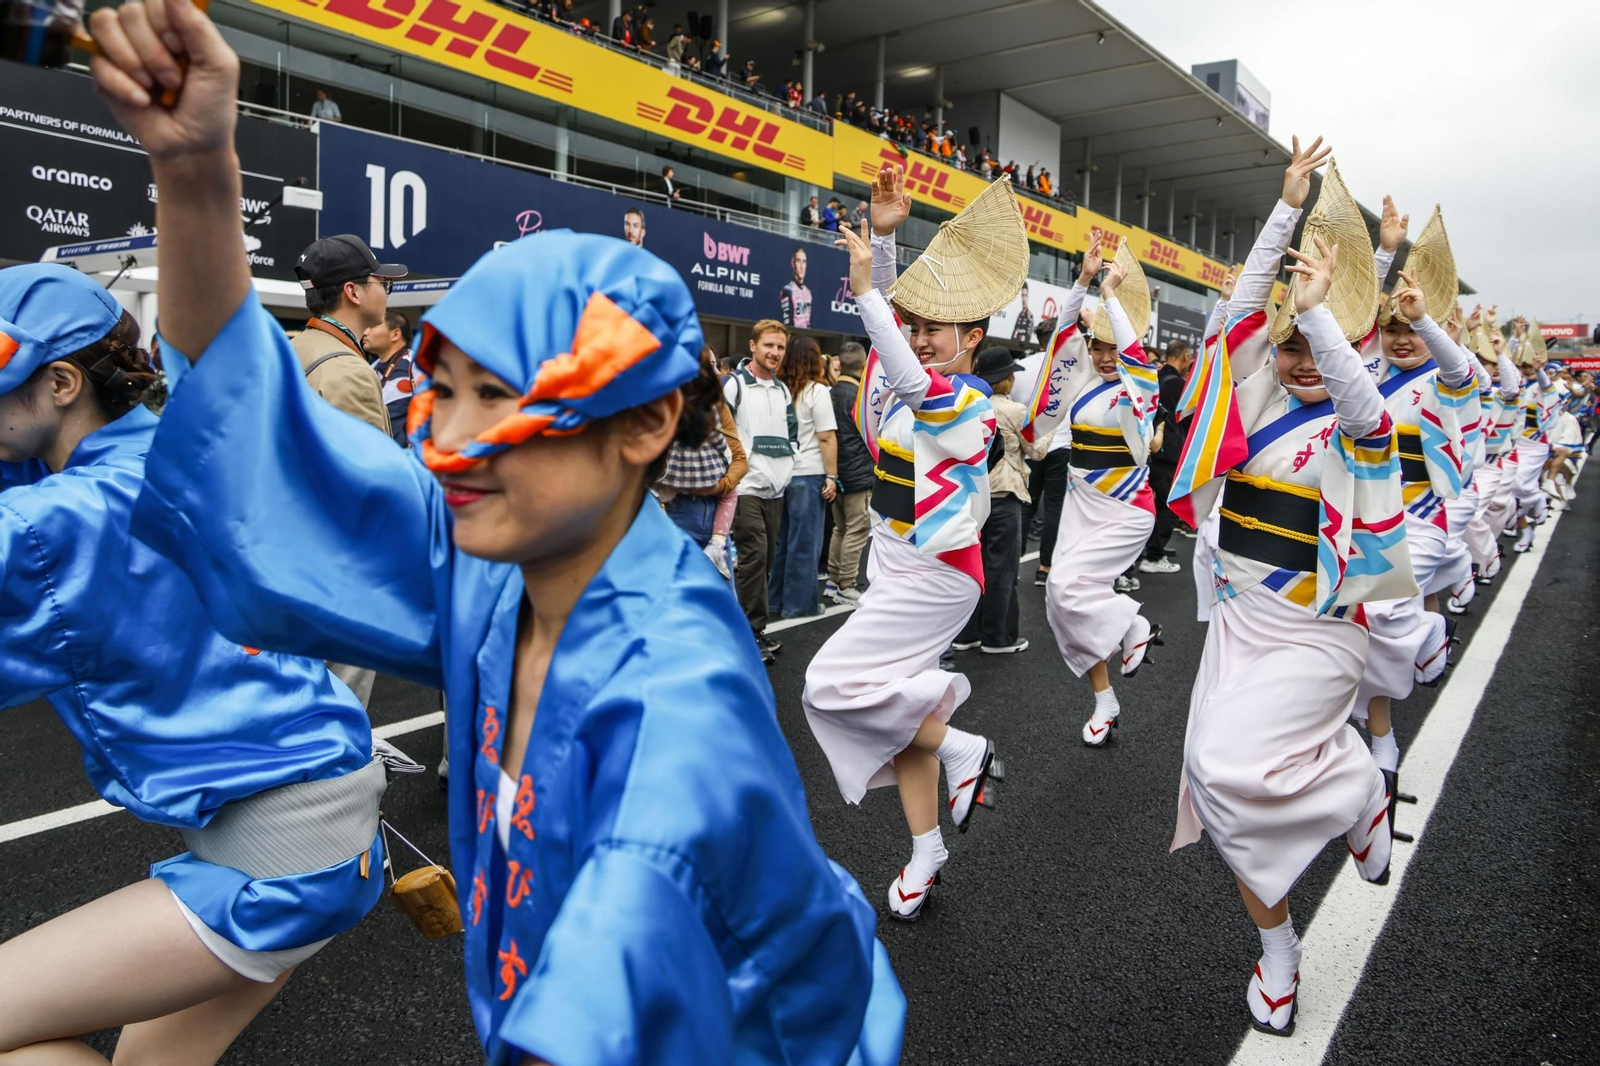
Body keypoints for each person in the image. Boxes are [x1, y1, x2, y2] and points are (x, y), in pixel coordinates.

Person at [92, 7, 906, 1061]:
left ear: (647, 423)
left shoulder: (671, 718)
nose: (451, 442)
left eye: (504, 397)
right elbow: (249, 417)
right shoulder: (503, 565)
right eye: (442, 392)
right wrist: (197, 166)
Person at [0, 262, 389, 1061]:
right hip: (320, 822)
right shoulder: (174, 455)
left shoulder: (58, 519)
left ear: (63, 383)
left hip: (276, 858)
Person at [1166, 141, 1411, 1038]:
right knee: (1217, 786)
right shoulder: (1254, 392)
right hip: (1241, 622)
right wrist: (1285, 210)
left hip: (1321, 629)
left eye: (1323, 343)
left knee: (1228, 764)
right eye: (1293, 342)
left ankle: (1355, 785)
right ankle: (1278, 951)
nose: (1305, 358)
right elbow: (1238, 315)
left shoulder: (1360, 413)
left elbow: (1366, 418)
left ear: (1351, 342)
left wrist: (1319, 316)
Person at [803, 167, 1025, 922]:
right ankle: (927, 851)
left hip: (936, 576)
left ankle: (962, 748)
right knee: (897, 722)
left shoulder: (967, 403)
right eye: (915, 327)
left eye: (935, 330)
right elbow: (891, 364)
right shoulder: (911, 390)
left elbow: (904, 372)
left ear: (974, 337)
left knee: (828, 684)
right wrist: (888, 240)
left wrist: (867, 290)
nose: (921, 339)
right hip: (898, 568)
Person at [1038, 235, 1163, 748]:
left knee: (1070, 588)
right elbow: (1061, 338)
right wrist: (1084, 281)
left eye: (1114, 347)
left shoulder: (1141, 385)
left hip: (1125, 509)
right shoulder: (1084, 379)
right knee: (1058, 598)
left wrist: (1110, 296)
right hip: (1080, 503)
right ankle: (1104, 698)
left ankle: (1133, 624)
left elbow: (1135, 359)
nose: (1107, 356)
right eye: (1099, 346)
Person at [952, 346, 1048, 654]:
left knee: (971, 565)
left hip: (971, 494)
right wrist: (1049, 425)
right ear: (1007, 379)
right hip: (1005, 494)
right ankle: (997, 636)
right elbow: (1037, 451)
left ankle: (966, 633)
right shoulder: (1015, 410)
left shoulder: (966, 404)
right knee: (1001, 567)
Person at [724, 320, 796, 659]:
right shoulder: (734, 385)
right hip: (745, 489)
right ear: (753, 346)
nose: (775, 352)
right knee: (753, 558)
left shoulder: (783, 390)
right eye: (769, 345)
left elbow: (793, 435)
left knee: (763, 561)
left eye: (780, 347)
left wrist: (788, 469)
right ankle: (748, 634)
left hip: (776, 490)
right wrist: (737, 471)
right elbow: (721, 431)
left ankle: (750, 630)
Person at [293, 234, 402, 439]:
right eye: (383, 284)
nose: (386, 293)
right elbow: (369, 458)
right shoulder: (353, 375)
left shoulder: (290, 350)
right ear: (353, 292)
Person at [654, 347, 747, 577]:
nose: (717, 372)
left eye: (716, 365)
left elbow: (740, 458)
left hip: (709, 504)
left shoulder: (716, 406)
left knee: (720, 595)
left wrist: (720, 485)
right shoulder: (666, 408)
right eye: (710, 366)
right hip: (680, 511)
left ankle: (717, 544)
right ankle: (717, 543)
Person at [770, 336, 839, 619]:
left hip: (779, 473)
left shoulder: (777, 389)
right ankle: (799, 605)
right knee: (805, 544)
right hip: (809, 472)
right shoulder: (817, 391)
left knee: (782, 543)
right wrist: (832, 476)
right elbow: (826, 437)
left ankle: (775, 601)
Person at [1140, 337, 1194, 574]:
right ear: (1185, 357)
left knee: (1150, 505)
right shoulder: (1179, 385)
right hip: (1169, 453)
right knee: (1171, 506)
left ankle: (1144, 552)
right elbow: (1189, 419)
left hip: (1149, 450)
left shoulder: (1155, 378)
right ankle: (1153, 556)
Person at [827, 341, 875, 603]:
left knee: (840, 528)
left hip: (835, 472)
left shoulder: (830, 392)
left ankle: (833, 579)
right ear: (864, 364)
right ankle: (847, 584)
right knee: (856, 530)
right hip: (859, 473)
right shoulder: (860, 396)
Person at [362, 308, 416, 447]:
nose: (365, 332)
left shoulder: (416, 364)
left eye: (372, 327)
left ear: (395, 334)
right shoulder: (369, 368)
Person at [779, 246, 812, 328]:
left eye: (804, 262)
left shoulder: (808, 292)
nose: (801, 266)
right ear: (793, 263)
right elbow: (787, 323)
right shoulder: (788, 290)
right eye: (798, 261)